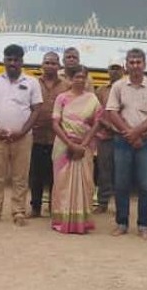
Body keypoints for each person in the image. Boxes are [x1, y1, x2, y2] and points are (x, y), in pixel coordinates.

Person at [106, 48, 147, 240]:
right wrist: (129, 134)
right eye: (131, 62)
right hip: (122, 141)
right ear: (126, 65)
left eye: (138, 62)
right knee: (121, 184)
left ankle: (143, 225)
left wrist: (137, 133)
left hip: (146, 142)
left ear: (145, 64)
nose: (135, 66)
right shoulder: (118, 86)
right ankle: (122, 223)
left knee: (146, 185)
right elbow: (112, 112)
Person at [0, 44, 42, 225]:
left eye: (16, 60)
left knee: (20, 177)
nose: (12, 63)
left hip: (22, 138)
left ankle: (18, 212)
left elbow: (36, 109)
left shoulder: (31, 82)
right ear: (4, 61)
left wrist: (22, 131)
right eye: (9, 59)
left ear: (22, 62)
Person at [50, 65, 102, 234]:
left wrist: (83, 144)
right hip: (63, 146)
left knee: (85, 183)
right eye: (76, 77)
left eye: (83, 77)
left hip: (84, 147)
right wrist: (70, 144)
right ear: (70, 79)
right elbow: (55, 124)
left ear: (87, 79)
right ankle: (62, 221)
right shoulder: (61, 98)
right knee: (62, 184)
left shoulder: (92, 99)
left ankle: (81, 222)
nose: (79, 80)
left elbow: (97, 123)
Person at [30, 52, 70, 218]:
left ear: (59, 66)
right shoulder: (33, 83)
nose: (50, 66)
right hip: (36, 135)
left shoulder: (66, 86)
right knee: (35, 175)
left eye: (53, 63)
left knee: (56, 175)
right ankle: (35, 208)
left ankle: (54, 208)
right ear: (42, 65)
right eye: (47, 62)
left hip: (58, 137)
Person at [92, 59, 124, 213]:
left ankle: (120, 205)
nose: (115, 71)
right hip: (104, 136)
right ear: (108, 71)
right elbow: (95, 112)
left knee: (122, 171)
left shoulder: (128, 89)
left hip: (124, 136)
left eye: (118, 68)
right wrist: (106, 125)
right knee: (104, 170)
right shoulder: (101, 90)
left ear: (124, 70)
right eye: (112, 68)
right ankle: (102, 202)